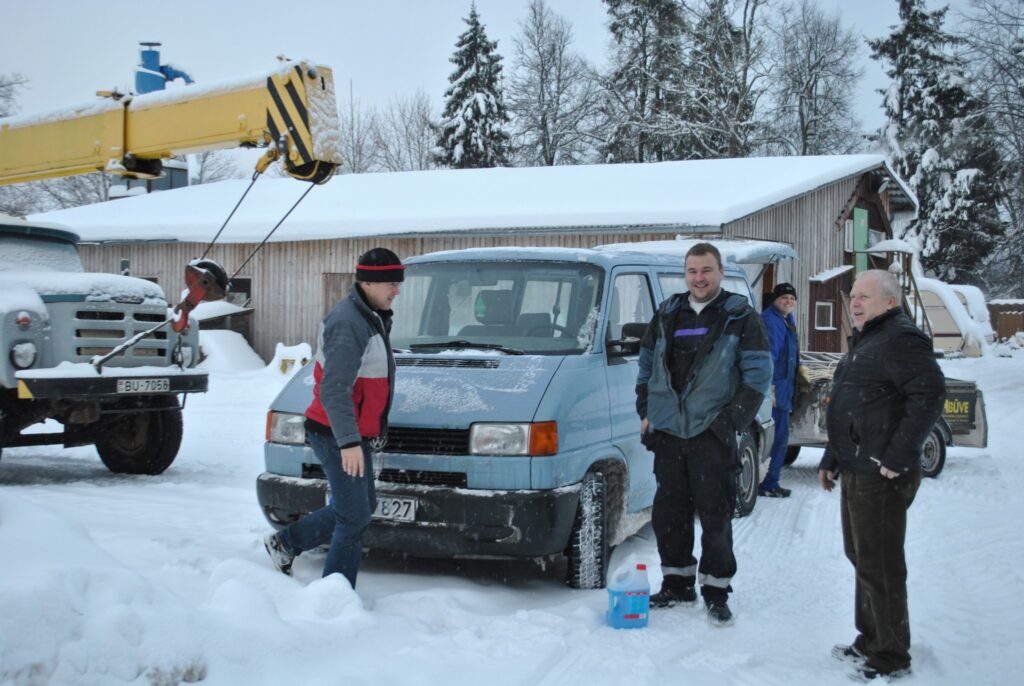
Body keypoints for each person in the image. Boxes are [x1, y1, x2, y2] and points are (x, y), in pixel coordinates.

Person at [636, 242, 771, 626]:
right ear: (686, 274)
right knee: (670, 513)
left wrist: (730, 422)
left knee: (715, 515)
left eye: (706, 270)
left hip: (712, 433)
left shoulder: (740, 316)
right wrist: (646, 411)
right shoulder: (667, 312)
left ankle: (716, 590)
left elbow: (758, 376)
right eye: (692, 271)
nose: (699, 278)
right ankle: (677, 583)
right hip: (669, 434)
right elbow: (646, 367)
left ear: (720, 272)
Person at [818, 270, 945, 681]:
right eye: (853, 296)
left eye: (865, 297)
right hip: (857, 465)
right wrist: (831, 458)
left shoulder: (900, 338)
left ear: (890, 302)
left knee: (882, 563)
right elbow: (848, 406)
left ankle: (891, 654)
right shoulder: (868, 340)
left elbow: (930, 393)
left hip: (881, 472)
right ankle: (870, 638)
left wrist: (900, 454)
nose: (854, 303)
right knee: (861, 557)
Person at [264, 247, 404, 589]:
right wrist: (349, 442)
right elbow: (333, 390)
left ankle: (286, 543)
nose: (397, 290)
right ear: (368, 282)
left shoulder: (368, 313)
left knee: (360, 505)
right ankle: (335, 595)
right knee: (354, 515)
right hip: (335, 433)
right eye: (390, 283)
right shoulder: (349, 323)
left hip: (349, 431)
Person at [759, 282, 801, 498]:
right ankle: (768, 483)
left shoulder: (786, 319)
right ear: (775, 300)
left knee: (779, 438)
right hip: (775, 390)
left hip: (785, 388)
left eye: (792, 299)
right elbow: (770, 356)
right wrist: (770, 389)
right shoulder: (772, 321)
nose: (788, 301)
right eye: (784, 298)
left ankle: (769, 480)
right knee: (776, 438)